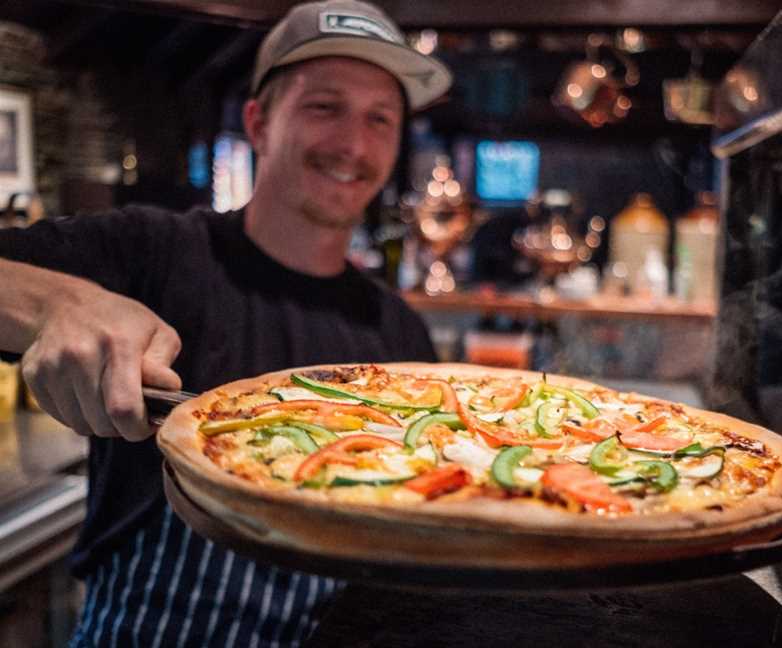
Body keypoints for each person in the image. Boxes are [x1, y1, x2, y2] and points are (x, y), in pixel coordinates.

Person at [0, 1, 451, 645]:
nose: (354, 144)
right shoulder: (156, 251)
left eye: (380, 119)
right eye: (324, 107)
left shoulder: (401, 333)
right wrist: (55, 305)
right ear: (259, 123)